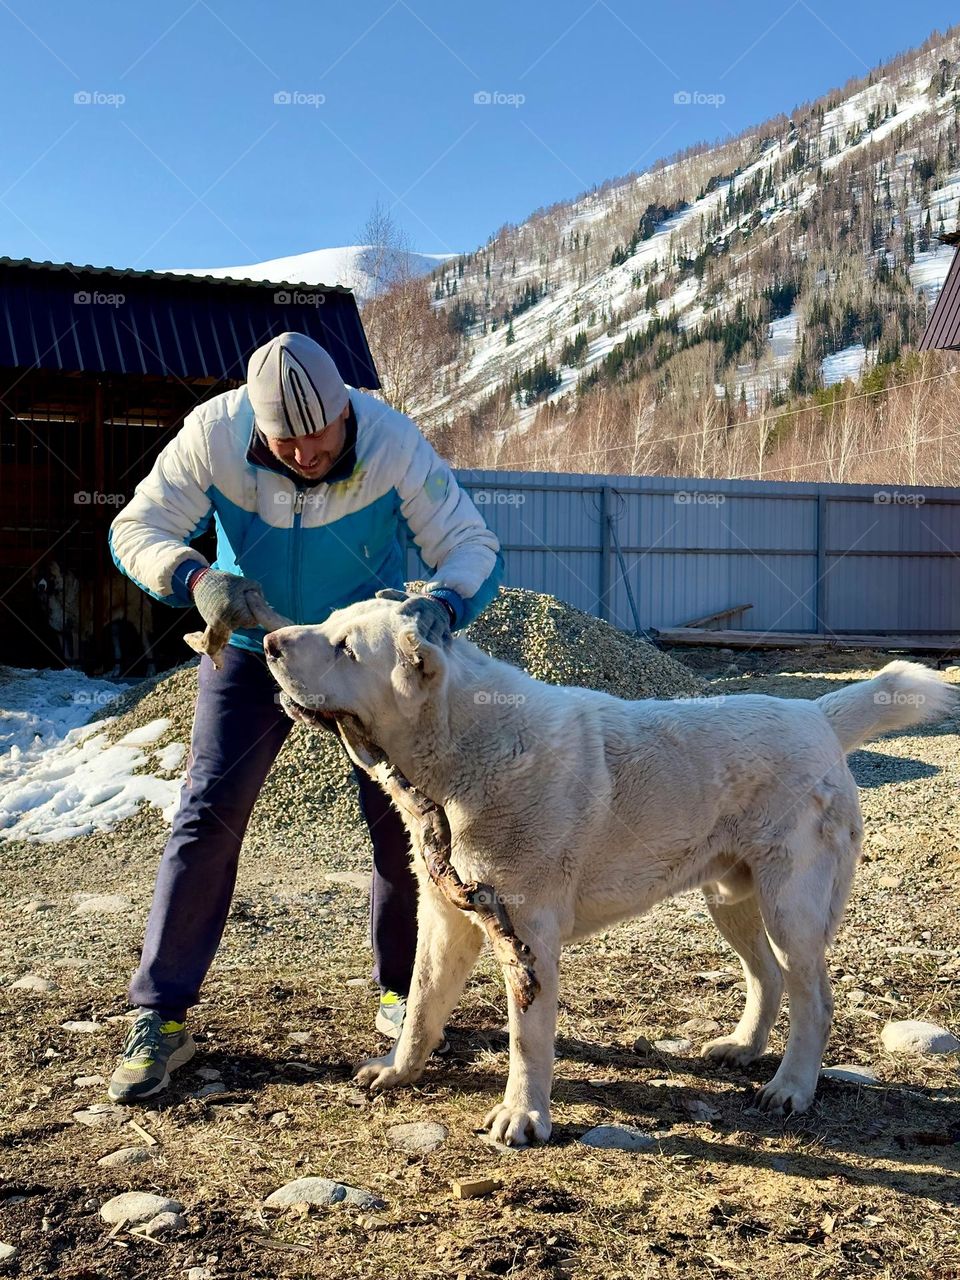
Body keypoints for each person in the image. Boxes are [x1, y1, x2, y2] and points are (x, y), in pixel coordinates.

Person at [105, 331, 503, 1102]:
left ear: (346, 412)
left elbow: (468, 544)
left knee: (407, 827)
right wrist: (196, 578)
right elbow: (134, 528)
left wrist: (444, 604)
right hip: (257, 650)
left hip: (360, 662)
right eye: (285, 442)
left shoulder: (392, 443)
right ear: (257, 427)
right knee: (208, 813)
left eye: (318, 437)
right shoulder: (213, 436)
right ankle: (161, 1014)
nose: (305, 454)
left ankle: (402, 994)